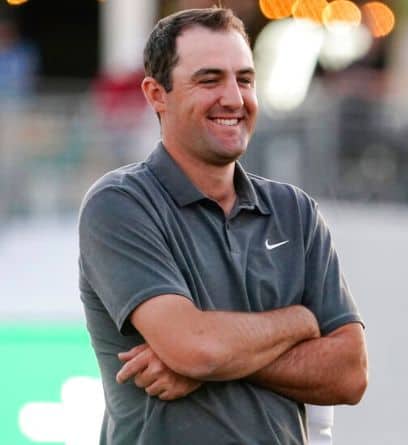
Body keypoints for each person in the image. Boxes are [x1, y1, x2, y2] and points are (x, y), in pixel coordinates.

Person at [78, 8, 367, 444]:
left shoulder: (296, 213)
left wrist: (211, 362)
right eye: (209, 80)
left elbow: (350, 373)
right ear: (157, 94)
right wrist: (298, 321)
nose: (234, 98)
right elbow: (194, 347)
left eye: (245, 79)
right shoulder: (120, 204)